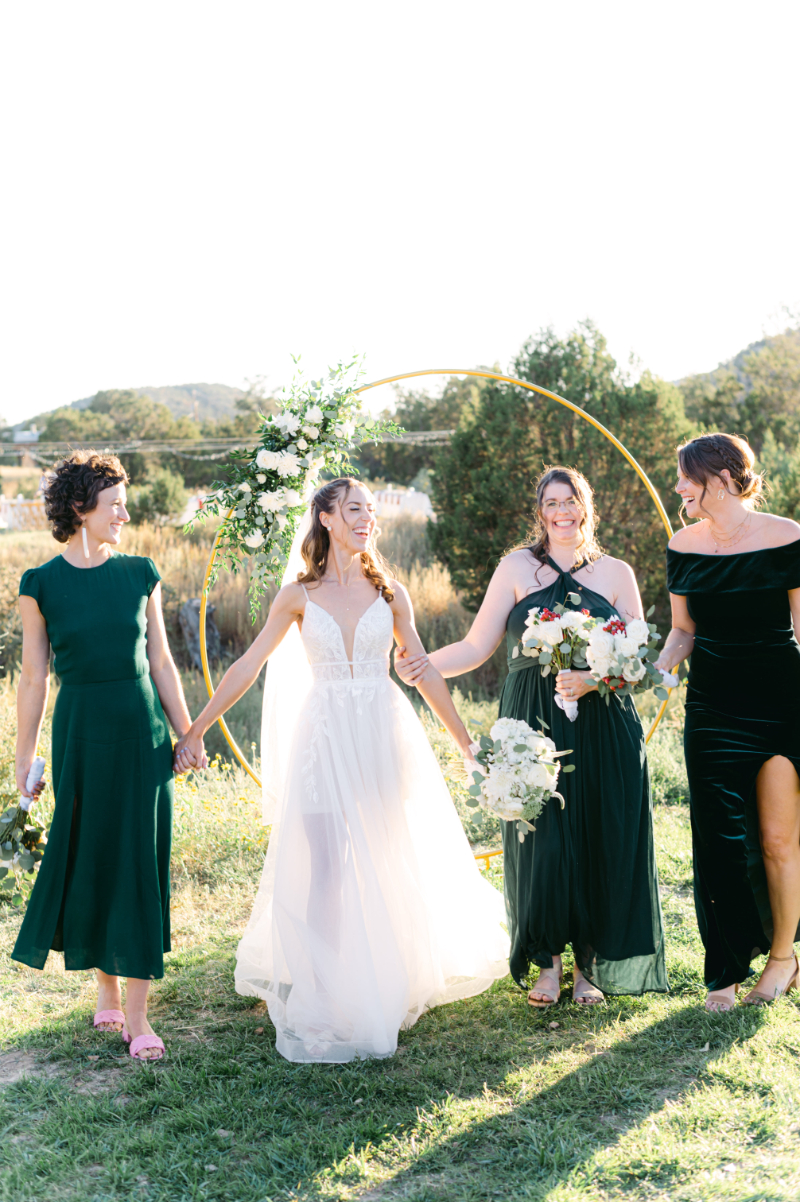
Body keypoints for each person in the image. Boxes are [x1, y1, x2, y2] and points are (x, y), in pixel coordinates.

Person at [174, 477, 509, 1063]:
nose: (367, 520)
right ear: (325, 518)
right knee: (326, 865)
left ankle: (391, 972)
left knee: (385, 852)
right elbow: (249, 665)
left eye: (371, 512)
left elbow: (424, 672)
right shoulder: (297, 595)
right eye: (355, 509)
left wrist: (464, 743)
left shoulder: (392, 594)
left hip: (381, 731)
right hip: (323, 737)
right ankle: (325, 991)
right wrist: (198, 727)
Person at [396, 466, 667, 1007]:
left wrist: (594, 679)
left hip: (603, 721)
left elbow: (640, 663)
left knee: (598, 832)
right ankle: (546, 961)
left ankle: (590, 964)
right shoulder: (516, 567)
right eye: (551, 503)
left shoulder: (617, 573)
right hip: (531, 721)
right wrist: (426, 664)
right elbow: (476, 645)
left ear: (586, 506)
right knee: (540, 837)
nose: (562, 512)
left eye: (571, 501)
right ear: (540, 512)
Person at [13, 451, 200, 1060]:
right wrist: (25, 759)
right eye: (114, 502)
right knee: (94, 854)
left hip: (141, 731)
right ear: (79, 508)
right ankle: (107, 993)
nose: (125, 512)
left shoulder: (141, 572)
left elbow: (163, 662)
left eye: (125, 501)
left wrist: (187, 732)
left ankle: (139, 1018)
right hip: (80, 735)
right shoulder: (38, 586)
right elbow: (34, 680)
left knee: (139, 859)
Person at [654, 433, 800, 1010]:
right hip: (712, 707)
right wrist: (655, 671)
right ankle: (724, 973)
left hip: (784, 705)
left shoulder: (789, 537)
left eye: (686, 479)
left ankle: (783, 959)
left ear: (720, 478)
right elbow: (682, 630)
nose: (679, 488)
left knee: (777, 840)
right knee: (718, 844)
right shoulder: (683, 543)